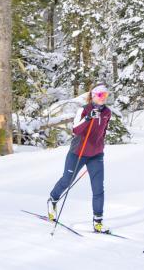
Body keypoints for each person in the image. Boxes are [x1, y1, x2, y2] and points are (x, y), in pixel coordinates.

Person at [46, 83, 112, 233]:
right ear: (93, 95)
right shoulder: (84, 110)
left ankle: (98, 222)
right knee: (66, 181)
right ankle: (53, 199)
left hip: (96, 155)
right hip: (78, 153)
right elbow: (75, 130)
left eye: (106, 95)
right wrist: (88, 118)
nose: (103, 98)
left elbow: (103, 131)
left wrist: (100, 146)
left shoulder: (107, 112)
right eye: (101, 95)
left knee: (98, 189)